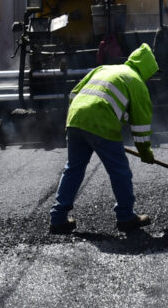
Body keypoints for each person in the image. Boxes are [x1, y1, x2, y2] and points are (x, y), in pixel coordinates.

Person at [49, 43, 158, 234]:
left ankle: (58, 219)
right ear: (147, 68)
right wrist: (145, 152)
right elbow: (140, 126)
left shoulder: (105, 68)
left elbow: (74, 93)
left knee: (73, 169)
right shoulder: (136, 82)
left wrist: (82, 122)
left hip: (75, 118)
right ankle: (126, 217)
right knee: (119, 171)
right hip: (101, 122)